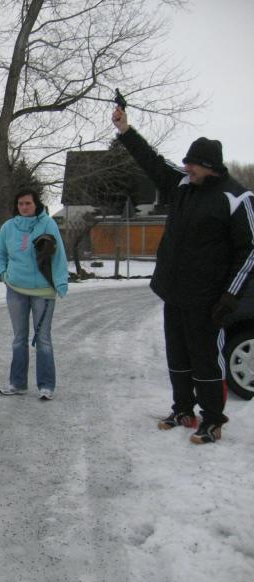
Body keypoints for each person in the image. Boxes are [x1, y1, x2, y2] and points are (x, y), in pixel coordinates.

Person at [112, 105, 254, 444]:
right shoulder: (182, 185)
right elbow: (151, 161)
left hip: (209, 299)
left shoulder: (237, 198)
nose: (187, 167)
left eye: (193, 164)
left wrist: (230, 296)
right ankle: (183, 410)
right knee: (177, 356)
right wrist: (125, 130)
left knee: (206, 359)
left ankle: (213, 420)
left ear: (210, 167)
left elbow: (249, 251)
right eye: (187, 163)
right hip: (174, 292)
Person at [0, 189, 69, 401]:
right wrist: (3, 274)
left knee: (43, 338)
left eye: (28, 203)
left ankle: (46, 385)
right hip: (15, 289)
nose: (24, 207)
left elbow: (59, 255)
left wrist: (61, 282)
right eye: (20, 203)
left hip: (43, 290)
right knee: (19, 338)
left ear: (36, 204)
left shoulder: (48, 224)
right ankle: (17, 383)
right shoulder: (8, 227)